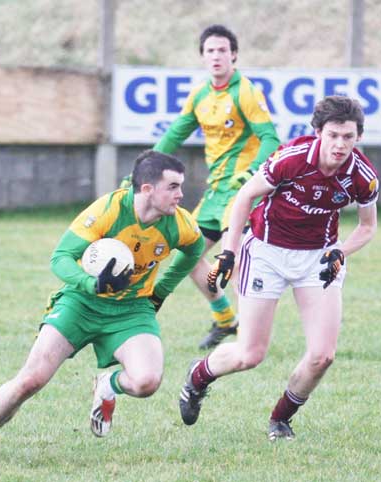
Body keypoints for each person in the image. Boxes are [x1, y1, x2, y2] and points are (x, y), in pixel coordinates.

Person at [0, 150, 205, 464]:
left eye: (181, 186)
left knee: (146, 381)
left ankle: (108, 386)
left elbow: (194, 251)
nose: (181, 194)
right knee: (32, 379)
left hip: (132, 309)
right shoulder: (109, 209)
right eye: (173, 187)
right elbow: (60, 258)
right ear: (147, 189)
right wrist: (90, 283)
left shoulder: (180, 224)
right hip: (80, 303)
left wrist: (161, 291)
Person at [177, 96, 379, 440]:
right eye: (333, 135)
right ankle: (198, 377)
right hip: (267, 253)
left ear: (358, 137)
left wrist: (340, 252)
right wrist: (229, 252)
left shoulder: (362, 176)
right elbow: (244, 198)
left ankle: (281, 419)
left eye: (348, 136)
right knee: (250, 354)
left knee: (322, 356)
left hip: (318, 258)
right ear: (318, 132)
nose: (340, 144)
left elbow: (367, 226)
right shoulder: (292, 158)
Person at [154, 24, 279, 349]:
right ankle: (226, 320)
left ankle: (250, 337)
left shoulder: (246, 91)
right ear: (203, 57)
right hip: (214, 193)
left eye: (222, 50)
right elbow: (174, 135)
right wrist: (145, 169)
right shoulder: (200, 95)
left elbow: (271, 139)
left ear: (234, 55)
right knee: (187, 253)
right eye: (210, 50)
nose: (216, 56)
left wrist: (251, 173)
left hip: (242, 191)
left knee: (232, 258)